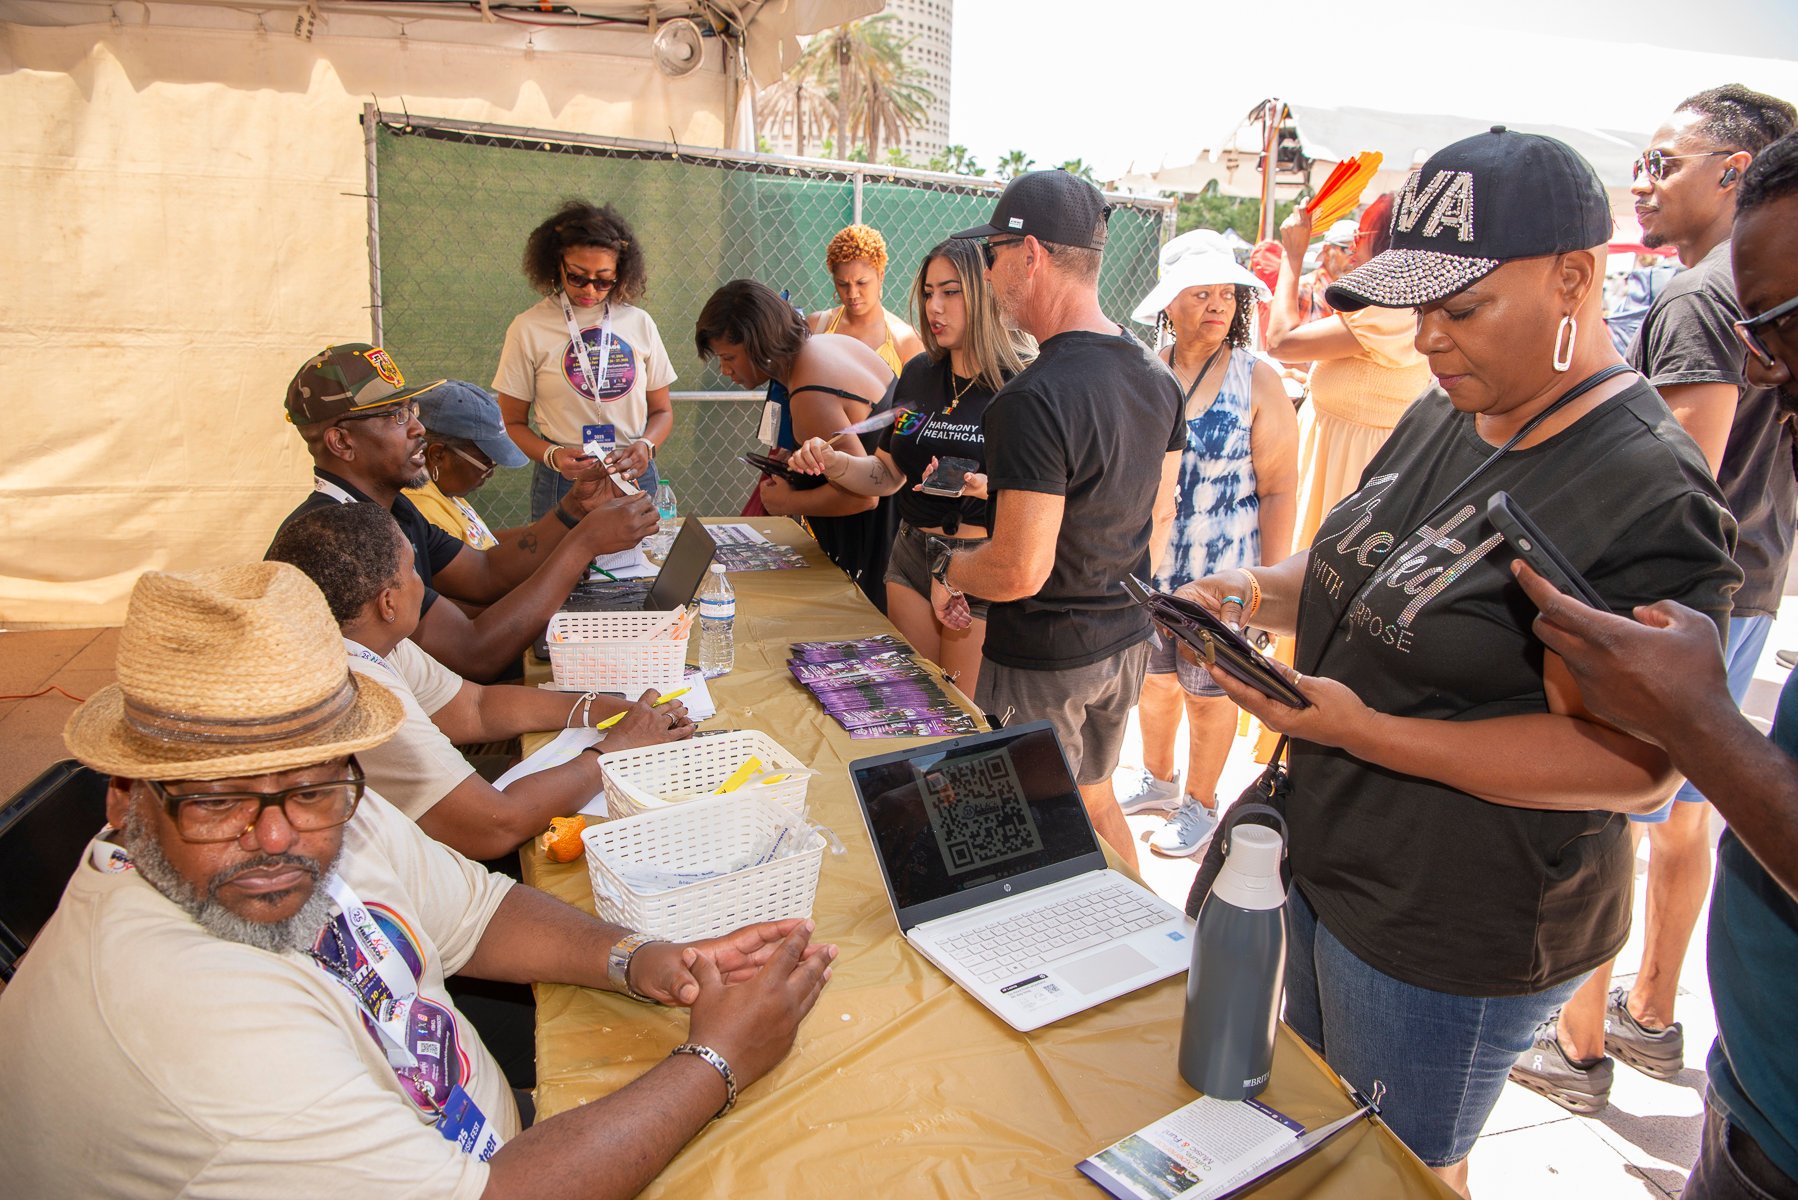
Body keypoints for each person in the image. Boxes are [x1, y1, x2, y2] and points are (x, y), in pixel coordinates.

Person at [1181, 128, 1740, 1195]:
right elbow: (1356, 566)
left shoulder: (1646, 487)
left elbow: (1639, 768)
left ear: (1574, 277)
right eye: (1418, 308)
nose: (1429, 338)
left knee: (1394, 1173)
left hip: (1454, 924)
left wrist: (1369, 731)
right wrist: (1244, 591)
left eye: (1463, 308)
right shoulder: (1448, 408)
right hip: (1333, 859)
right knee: (1316, 1137)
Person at [0, 560, 835, 1199]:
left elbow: (478, 910)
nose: (278, 837)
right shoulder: (191, 1030)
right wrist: (717, 1059)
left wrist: (639, 957)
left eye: (312, 787)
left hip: (479, 1144)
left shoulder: (324, 806)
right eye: (217, 802)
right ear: (125, 798)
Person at [1507, 129, 1798, 1200]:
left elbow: (1684, 491)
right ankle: (1644, 1017)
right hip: (1756, 1098)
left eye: (1778, 325)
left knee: (1653, 812)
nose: (1761, 365)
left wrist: (1698, 725)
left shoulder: (1681, 309)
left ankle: (1589, 1038)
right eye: (1752, 332)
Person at [930, 168, 1185, 871]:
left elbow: (1019, 569)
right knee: (1095, 804)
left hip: (1046, 660)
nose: (987, 274)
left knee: (1027, 844)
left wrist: (949, 569)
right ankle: (1148, 934)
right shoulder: (1157, 377)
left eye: (992, 256)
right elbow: (1149, 510)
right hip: (1124, 638)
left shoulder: (1032, 398)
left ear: (1032, 254)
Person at [268, 502, 693, 860]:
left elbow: (475, 708)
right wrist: (615, 750)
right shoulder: (357, 690)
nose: (422, 584)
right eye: (413, 570)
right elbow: (496, 825)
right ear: (388, 603)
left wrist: (604, 709)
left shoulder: (367, 637)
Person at [277, 343, 658, 683]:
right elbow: (473, 654)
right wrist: (583, 543)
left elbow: (485, 572)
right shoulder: (338, 539)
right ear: (342, 442)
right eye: (395, 416)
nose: (418, 428)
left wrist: (576, 509)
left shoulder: (391, 509)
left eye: (411, 410)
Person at [786, 238, 1033, 696]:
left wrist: (985, 487)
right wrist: (834, 463)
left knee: (959, 710)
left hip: (977, 566)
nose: (934, 307)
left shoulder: (1019, 383)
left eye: (951, 292)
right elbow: (886, 473)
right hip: (911, 557)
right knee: (916, 702)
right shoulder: (920, 374)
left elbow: (1041, 494)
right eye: (928, 292)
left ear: (985, 293)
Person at [1121, 235, 1299, 857]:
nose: (1218, 304)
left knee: (1210, 690)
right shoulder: (1144, 372)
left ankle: (1200, 802)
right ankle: (1158, 779)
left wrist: (1270, 585)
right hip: (1152, 567)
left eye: (1227, 293)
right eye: (1201, 293)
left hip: (1224, 578)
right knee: (1153, 683)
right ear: (1169, 303)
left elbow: (1278, 488)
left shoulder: (1258, 379)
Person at [695, 279, 899, 607]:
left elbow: (864, 497)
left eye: (729, 357)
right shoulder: (827, 344)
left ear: (758, 345)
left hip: (879, 547)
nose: (725, 370)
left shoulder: (809, 392)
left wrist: (788, 502)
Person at [1266, 194, 1435, 550]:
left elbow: (1280, 341)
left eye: (1363, 235)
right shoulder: (1395, 305)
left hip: (1351, 470)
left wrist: (1292, 255)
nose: (1354, 247)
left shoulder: (1392, 309)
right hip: (1341, 463)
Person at [494, 201, 678, 521]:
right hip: (565, 477)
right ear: (557, 264)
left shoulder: (639, 323)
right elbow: (512, 422)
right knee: (561, 554)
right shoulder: (528, 327)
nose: (590, 290)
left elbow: (662, 411)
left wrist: (646, 446)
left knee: (645, 554)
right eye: (577, 277)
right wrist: (553, 456)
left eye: (603, 280)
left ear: (620, 274)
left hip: (633, 470)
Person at [403, 380, 528, 551]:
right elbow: (483, 566)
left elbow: (483, 542)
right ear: (438, 455)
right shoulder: (424, 510)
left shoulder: (443, 489)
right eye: (485, 464)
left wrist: (544, 532)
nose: (490, 474)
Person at [805, 223, 926, 375]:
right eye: (843, 284)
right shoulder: (816, 327)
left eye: (861, 283)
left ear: (881, 276)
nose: (852, 293)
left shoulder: (906, 342)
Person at [1297, 218, 1357, 325]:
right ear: (1327, 250)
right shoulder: (1305, 288)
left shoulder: (1359, 293)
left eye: (1358, 251)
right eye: (1350, 251)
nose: (1354, 258)